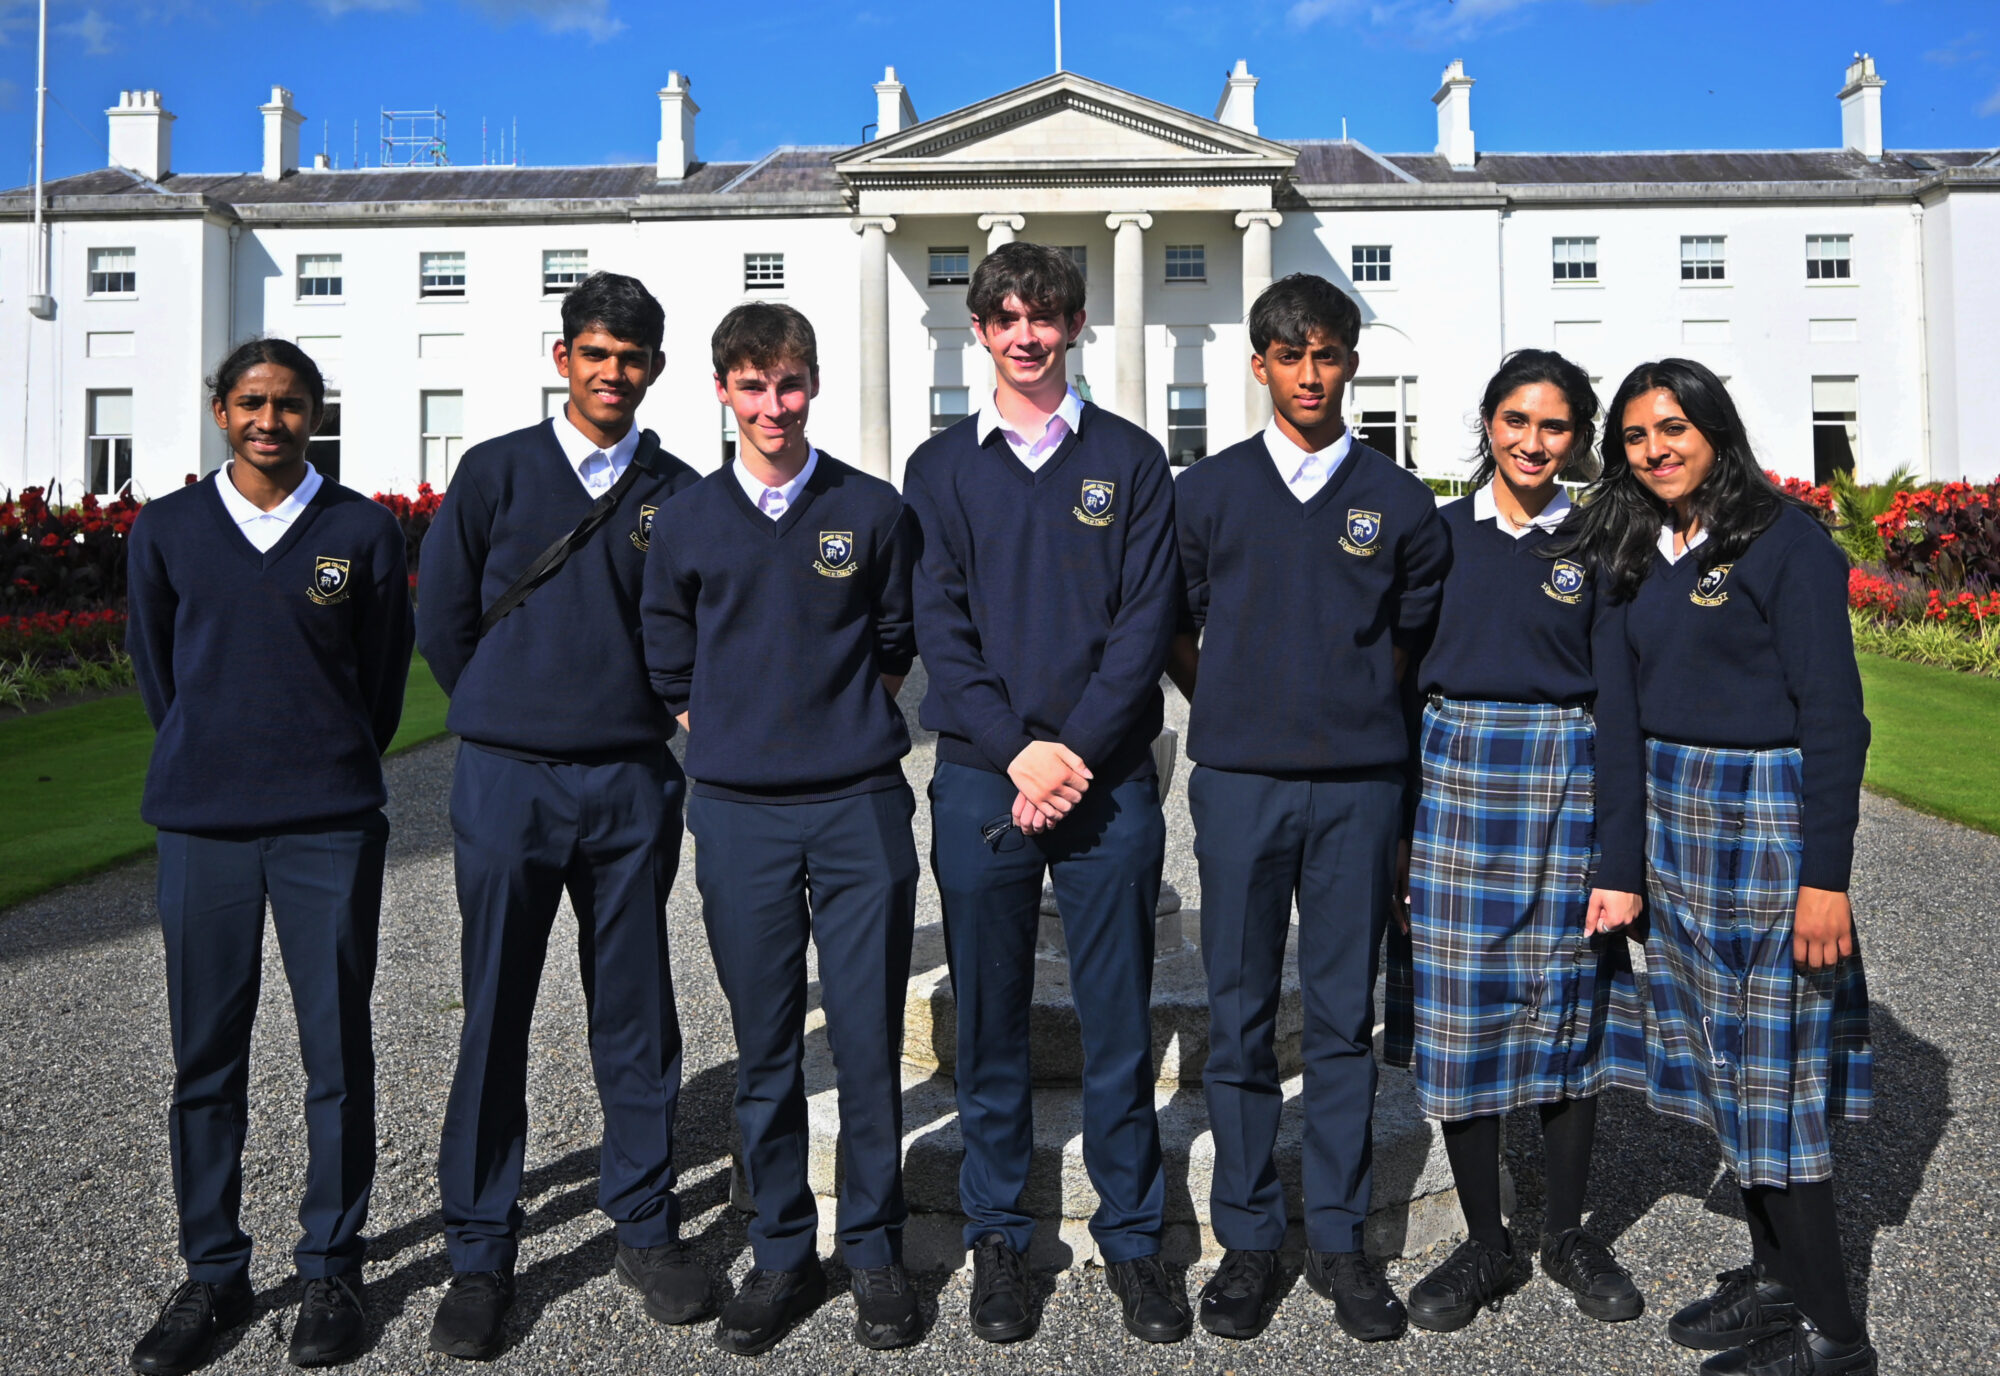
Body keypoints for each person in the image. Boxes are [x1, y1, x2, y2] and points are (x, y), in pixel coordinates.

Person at [1562, 358, 1875, 1376]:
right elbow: (1617, 718)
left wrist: (1822, 878)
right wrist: (1623, 863)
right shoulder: (1627, 546)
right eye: (1636, 435)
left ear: (1713, 429)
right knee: (1726, 1078)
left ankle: (1835, 1342)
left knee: (1773, 1087)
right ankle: (1775, 1280)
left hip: (1764, 832)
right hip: (1671, 824)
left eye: (1672, 428)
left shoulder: (1785, 544)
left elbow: (1833, 717)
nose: (1654, 448)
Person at [415, 272, 705, 1360]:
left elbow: (689, 627)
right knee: (494, 1006)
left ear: (653, 369)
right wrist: (504, 703)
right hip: (509, 779)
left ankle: (643, 1221)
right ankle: (482, 1247)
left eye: (631, 356)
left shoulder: (676, 487)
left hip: (631, 778)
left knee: (634, 1008)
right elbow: (443, 615)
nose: (612, 372)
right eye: (595, 352)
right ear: (563, 356)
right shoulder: (494, 469)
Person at [902, 241, 1186, 1344]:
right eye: (1005, 315)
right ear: (977, 330)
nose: (1025, 333)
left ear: (1073, 326)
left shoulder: (1130, 457)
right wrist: (1018, 752)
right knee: (990, 1023)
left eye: (1045, 314)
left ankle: (1131, 1241)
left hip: (1104, 778)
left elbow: (1141, 625)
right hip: (984, 776)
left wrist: (1065, 750)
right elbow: (941, 624)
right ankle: (997, 1239)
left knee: (1118, 1025)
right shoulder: (940, 470)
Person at [1167, 272, 1447, 1343]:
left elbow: (1411, 640)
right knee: (1236, 1014)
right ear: (1259, 364)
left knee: (1341, 1017)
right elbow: (1173, 624)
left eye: (1326, 353)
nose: (1309, 373)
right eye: (1289, 354)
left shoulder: (1399, 500)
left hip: (1359, 788)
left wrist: (1354, 707)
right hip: (1240, 782)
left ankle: (1336, 1235)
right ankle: (1247, 1238)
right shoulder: (1207, 492)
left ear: (1349, 361)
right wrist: (1233, 700)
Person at [124, 339, 413, 1374]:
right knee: (207, 1055)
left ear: (313, 415)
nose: (269, 420)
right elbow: (161, 674)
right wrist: (217, 756)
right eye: (251, 402)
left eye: (290, 405)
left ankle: (331, 1261)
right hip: (204, 822)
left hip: (328, 819)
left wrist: (322, 764)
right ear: (218, 410)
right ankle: (213, 1269)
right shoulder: (167, 529)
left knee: (336, 1050)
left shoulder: (361, 529)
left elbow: (379, 686)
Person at [640, 303, 922, 1356]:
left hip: (856, 805)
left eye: (789, 384)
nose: (772, 405)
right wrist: (730, 732)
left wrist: (830, 723)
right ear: (722, 389)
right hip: (739, 813)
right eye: (752, 386)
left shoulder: (873, 508)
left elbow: (893, 639)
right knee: (764, 1049)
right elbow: (666, 649)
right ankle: (779, 1249)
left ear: (812, 385)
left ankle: (877, 1252)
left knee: (864, 1041)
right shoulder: (688, 519)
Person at [1384, 349, 1648, 1333]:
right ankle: (1486, 1242)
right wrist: (1396, 841)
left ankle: (1568, 1230)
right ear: (1486, 423)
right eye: (1515, 420)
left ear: (1576, 436)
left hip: (1565, 787)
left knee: (1565, 1018)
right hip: (1454, 784)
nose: (1532, 442)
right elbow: (1398, 690)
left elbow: (1618, 707)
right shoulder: (1435, 535)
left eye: (1553, 425)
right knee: (1458, 1026)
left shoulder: (1599, 541)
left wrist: (1618, 863)